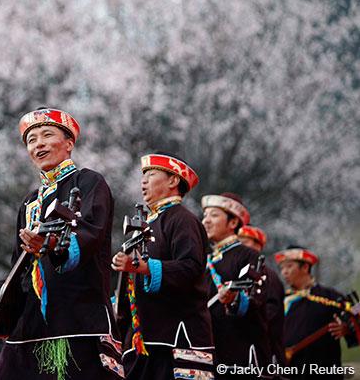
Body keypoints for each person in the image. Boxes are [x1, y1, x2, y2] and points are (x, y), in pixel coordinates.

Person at [0, 107, 121, 380]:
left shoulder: (88, 182)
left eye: (47, 135)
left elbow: (89, 235)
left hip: (77, 320)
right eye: (31, 139)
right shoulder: (29, 202)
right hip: (30, 324)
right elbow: (19, 265)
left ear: (69, 143)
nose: (38, 143)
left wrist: (51, 245)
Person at [112, 152, 215, 380]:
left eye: (151, 174)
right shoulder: (148, 224)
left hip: (177, 340)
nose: (143, 181)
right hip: (144, 339)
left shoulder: (182, 219)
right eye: (143, 176)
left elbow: (191, 267)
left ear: (172, 180)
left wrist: (146, 268)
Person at [202, 192, 270, 377]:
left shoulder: (248, 256)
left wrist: (235, 299)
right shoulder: (204, 260)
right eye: (205, 215)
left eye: (214, 215)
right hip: (210, 351)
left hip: (241, 352)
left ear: (233, 223)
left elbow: (257, 300)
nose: (206, 221)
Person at [276, 246, 358, 379]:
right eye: (282, 268)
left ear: (305, 267)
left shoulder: (330, 296)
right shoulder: (281, 300)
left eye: (289, 266)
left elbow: (357, 313)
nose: (284, 272)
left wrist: (347, 328)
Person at [237, 225, 286, 368]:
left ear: (258, 246)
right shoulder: (239, 272)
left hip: (264, 352)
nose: (240, 248)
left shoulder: (268, 276)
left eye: (244, 243)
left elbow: (268, 316)